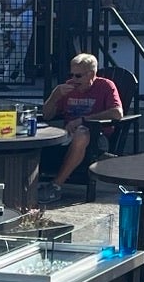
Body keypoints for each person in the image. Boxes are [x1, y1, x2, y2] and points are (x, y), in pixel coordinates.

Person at [36, 54, 125, 202]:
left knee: (82, 132)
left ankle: (56, 186)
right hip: (67, 136)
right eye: (71, 75)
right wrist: (54, 95)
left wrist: (82, 120)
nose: (74, 80)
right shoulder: (67, 87)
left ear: (91, 74)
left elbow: (117, 113)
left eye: (78, 76)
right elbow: (47, 115)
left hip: (97, 136)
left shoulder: (106, 86)